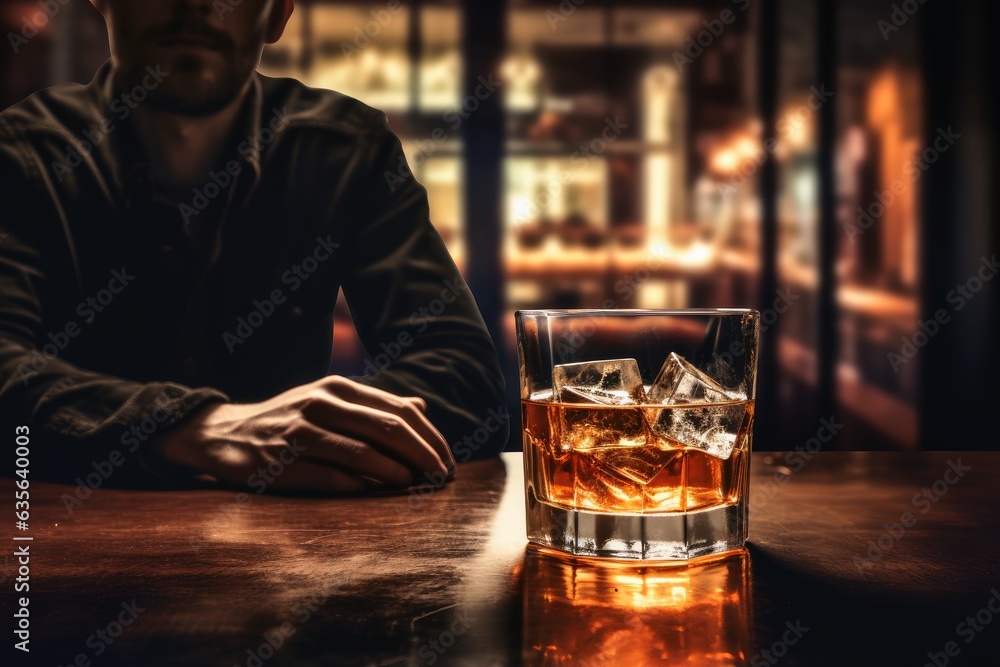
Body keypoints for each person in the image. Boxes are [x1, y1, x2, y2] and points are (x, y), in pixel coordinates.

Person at [0, 0, 508, 493]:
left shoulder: (347, 148)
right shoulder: (22, 153)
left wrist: (309, 433)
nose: (196, 4)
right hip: (58, 552)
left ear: (278, 14)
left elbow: (463, 376)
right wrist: (202, 430)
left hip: (293, 555)